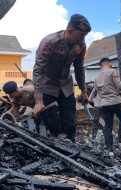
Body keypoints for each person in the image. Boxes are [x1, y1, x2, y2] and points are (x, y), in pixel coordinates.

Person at [32, 14, 91, 142]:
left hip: (66, 85)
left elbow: (79, 67)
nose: (83, 39)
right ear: (70, 31)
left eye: (85, 35)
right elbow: (39, 70)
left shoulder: (81, 45)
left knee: (69, 123)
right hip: (48, 85)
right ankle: (52, 150)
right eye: (81, 35)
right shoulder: (50, 42)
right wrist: (38, 100)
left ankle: (71, 151)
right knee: (51, 123)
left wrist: (84, 91)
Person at [93, 57, 121, 155]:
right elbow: (120, 86)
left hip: (104, 104)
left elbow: (95, 90)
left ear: (101, 66)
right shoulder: (112, 71)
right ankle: (120, 141)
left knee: (108, 125)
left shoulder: (97, 77)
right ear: (109, 63)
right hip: (115, 102)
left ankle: (109, 147)